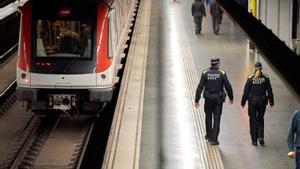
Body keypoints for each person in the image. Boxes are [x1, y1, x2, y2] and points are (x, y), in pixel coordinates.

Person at [194, 58, 234, 145]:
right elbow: (228, 86)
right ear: (218, 64)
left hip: (208, 99)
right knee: (217, 118)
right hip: (218, 99)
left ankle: (209, 135)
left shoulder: (205, 73)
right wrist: (231, 97)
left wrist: (197, 100)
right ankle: (214, 139)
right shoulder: (222, 73)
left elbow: (200, 87)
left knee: (208, 117)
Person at [241, 62, 274, 146]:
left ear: (254, 68)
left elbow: (246, 91)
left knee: (253, 120)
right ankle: (261, 137)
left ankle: (254, 140)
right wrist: (271, 101)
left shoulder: (250, 78)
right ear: (261, 68)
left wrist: (243, 102)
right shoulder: (266, 78)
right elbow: (269, 90)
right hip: (262, 102)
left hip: (252, 102)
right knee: (260, 119)